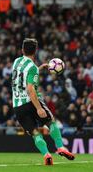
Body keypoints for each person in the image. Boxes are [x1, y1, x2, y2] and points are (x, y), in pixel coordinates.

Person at [12, 38, 75, 166]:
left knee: (35, 133)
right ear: (35, 51)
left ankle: (46, 154)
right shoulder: (32, 68)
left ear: (22, 50)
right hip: (32, 101)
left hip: (17, 106)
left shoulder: (16, 62)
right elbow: (30, 89)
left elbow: (22, 76)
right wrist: (39, 108)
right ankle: (61, 147)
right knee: (50, 122)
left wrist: (38, 68)